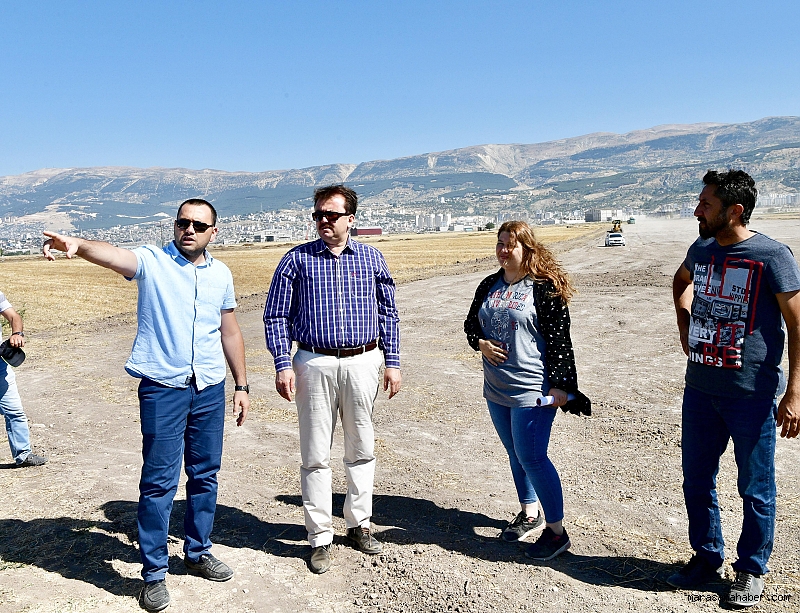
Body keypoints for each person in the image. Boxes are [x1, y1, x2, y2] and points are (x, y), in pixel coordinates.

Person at [42, 198, 250, 613]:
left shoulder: (221, 274)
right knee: (159, 482)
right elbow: (114, 255)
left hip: (209, 387)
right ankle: (154, 572)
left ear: (214, 232)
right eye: (183, 222)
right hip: (163, 388)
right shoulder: (153, 261)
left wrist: (241, 384)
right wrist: (79, 246)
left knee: (205, 474)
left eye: (199, 225)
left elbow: (228, 330)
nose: (189, 229)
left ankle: (198, 551)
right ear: (175, 225)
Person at [670, 170, 800, 607]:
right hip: (699, 389)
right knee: (696, 480)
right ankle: (707, 558)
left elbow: (798, 325)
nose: (697, 211)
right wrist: (684, 323)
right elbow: (680, 281)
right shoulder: (701, 249)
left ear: (734, 210)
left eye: (705, 204)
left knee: (755, 487)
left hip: (751, 395)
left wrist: (795, 393)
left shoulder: (771, 256)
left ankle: (750, 569)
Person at [263, 184, 401, 574]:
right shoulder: (295, 261)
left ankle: (359, 525)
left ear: (350, 219)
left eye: (332, 214)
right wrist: (282, 364)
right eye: (319, 214)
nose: (324, 220)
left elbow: (388, 313)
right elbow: (275, 316)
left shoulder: (372, 258)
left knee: (362, 447)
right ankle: (320, 536)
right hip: (313, 362)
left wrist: (392, 362)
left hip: (363, 361)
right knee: (314, 454)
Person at [463, 220, 590, 561]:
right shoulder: (489, 284)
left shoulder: (543, 288)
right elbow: (471, 324)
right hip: (496, 388)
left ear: (527, 248)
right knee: (514, 452)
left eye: (511, 244)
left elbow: (560, 341)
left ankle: (557, 532)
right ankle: (529, 513)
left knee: (532, 456)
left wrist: (561, 386)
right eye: (500, 243)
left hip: (532, 390)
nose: (503, 250)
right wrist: (480, 343)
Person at [0, 290, 47, 467]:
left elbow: (14, 316)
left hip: (0, 366)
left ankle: (23, 454)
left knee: (15, 411)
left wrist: (17, 333)